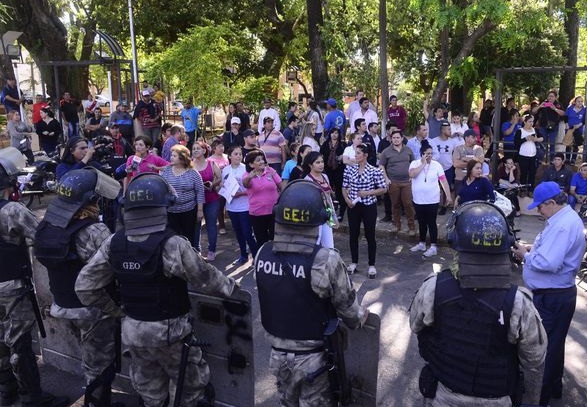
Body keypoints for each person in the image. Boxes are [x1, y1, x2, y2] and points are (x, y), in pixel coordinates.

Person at [75, 173, 238, 407]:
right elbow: (207, 279)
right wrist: (235, 290)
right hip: (171, 334)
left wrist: (117, 312)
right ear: (164, 207)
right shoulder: (173, 244)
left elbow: (85, 287)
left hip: (133, 332)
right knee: (189, 388)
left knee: (150, 394)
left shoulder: (114, 243)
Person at [412, 201, 547, 407]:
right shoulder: (518, 302)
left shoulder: (433, 288)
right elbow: (534, 359)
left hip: (443, 396)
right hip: (497, 399)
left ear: (453, 242)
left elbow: (415, 325)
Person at [254, 179, 369, 406]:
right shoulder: (326, 260)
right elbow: (349, 311)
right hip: (314, 360)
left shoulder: (262, 254)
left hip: (277, 357)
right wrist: (361, 317)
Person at [34, 167, 121, 406]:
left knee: (89, 357)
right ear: (91, 201)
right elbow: (113, 265)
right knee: (100, 364)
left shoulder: (49, 224)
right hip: (92, 309)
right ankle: (98, 404)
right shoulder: (94, 230)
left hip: (62, 304)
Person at [0, 147, 69, 407]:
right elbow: (41, 236)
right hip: (12, 288)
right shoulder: (12, 211)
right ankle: (33, 397)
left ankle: (7, 392)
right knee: (20, 344)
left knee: (0, 343)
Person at [512, 181, 585, 406]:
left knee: (545, 349)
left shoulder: (562, 225)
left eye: (540, 207)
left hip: (553, 295)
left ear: (552, 203)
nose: (538, 211)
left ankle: (539, 397)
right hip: (557, 293)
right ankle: (553, 388)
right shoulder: (562, 219)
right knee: (554, 344)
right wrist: (533, 248)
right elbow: (551, 250)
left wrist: (526, 255)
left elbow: (549, 262)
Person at [342, 144, 387, 278]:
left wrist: (368, 193)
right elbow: (344, 186)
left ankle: (371, 265)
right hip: (353, 206)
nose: (355, 156)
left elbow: (383, 188)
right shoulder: (350, 169)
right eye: (355, 153)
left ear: (365, 155)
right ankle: (354, 262)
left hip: (369, 206)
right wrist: (347, 200)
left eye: (358, 153)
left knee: (370, 234)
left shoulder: (374, 170)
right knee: (353, 234)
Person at [409, 141, 452, 257]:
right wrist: (423, 164)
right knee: (422, 222)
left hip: (432, 199)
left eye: (431, 154)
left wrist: (448, 195)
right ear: (422, 154)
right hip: (418, 199)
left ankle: (433, 246)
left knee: (431, 222)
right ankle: (422, 243)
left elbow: (443, 181)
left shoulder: (437, 165)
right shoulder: (414, 163)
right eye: (427, 154)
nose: (430, 156)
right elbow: (412, 174)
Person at [161, 144, 205, 243]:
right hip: (171, 212)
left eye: (174, 156)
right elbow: (162, 189)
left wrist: (200, 210)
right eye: (171, 155)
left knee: (188, 238)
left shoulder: (193, 173)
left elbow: (200, 191)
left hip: (189, 211)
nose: (171, 157)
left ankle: (190, 256)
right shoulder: (166, 171)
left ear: (182, 158)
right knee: (173, 239)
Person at [221, 146, 257, 264]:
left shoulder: (245, 169)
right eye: (235, 154)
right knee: (238, 232)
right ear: (229, 156)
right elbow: (224, 186)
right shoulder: (225, 170)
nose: (238, 156)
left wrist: (241, 193)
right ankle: (243, 255)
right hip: (232, 206)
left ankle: (256, 256)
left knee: (247, 232)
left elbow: (253, 189)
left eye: (240, 154)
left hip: (245, 206)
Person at [379, 129, 416, 235]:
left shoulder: (408, 150)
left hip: (406, 182)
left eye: (397, 137)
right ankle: (396, 225)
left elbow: (413, 164)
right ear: (391, 139)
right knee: (395, 204)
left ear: (402, 138)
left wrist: (412, 176)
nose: (395, 140)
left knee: (408, 204)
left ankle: (411, 226)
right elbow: (381, 165)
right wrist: (386, 178)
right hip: (393, 182)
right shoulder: (386, 151)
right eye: (393, 138)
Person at [243, 149, 282, 247]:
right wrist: (250, 177)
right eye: (258, 160)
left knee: (275, 239)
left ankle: (275, 260)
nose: (262, 162)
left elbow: (281, 186)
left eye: (262, 159)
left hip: (274, 212)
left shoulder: (271, 171)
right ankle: (262, 259)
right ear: (251, 164)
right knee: (262, 240)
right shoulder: (247, 175)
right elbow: (246, 184)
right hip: (257, 214)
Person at [192, 141, 222, 261]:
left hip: (211, 198)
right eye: (193, 149)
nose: (195, 151)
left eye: (198, 148)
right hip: (195, 200)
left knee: (211, 225)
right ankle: (196, 250)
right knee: (196, 225)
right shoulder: (190, 165)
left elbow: (219, 177)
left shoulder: (211, 163)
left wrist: (212, 184)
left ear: (204, 150)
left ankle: (212, 250)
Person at [302, 152, 335, 248]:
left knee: (329, 246)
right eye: (317, 162)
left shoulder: (325, 176)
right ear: (310, 165)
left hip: (327, 214)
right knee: (314, 245)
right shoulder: (307, 180)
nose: (321, 164)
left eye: (322, 162)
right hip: (315, 216)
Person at [429, 120, 457, 215]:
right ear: (443, 130)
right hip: (435, 168)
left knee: (447, 188)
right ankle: (434, 205)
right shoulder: (433, 141)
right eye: (449, 129)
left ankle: (444, 206)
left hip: (448, 168)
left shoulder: (452, 142)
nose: (450, 131)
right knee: (435, 188)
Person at [320, 128, 346, 221]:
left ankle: (341, 212)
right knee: (328, 190)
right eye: (332, 133)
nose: (334, 135)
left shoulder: (342, 145)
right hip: (328, 170)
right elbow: (321, 155)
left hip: (339, 170)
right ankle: (329, 211)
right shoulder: (325, 144)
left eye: (336, 133)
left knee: (340, 190)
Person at [515, 114, 542, 193]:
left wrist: (536, 139)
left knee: (532, 174)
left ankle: (530, 190)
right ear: (525, 122)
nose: (531, 123)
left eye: (532, 121)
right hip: (523, 155)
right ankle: (522, 190)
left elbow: (542, 138)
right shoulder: (520, 131)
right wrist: (525, 139)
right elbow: (516, 143)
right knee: (523, 173)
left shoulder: (535, 130)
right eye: (529, 121)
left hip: (533, 155)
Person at [533, 90, 565, 156]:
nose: (550, 98)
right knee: (542, 142)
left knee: (552, 143)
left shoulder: (558, 104)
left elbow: (563, 113)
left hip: (554, 127)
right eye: (549, 96)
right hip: (543, 126)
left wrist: (555, 109)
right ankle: (541, 158)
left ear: (555, 97)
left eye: (552, 96)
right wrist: (540, 106)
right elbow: (533, 111)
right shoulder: (544, 103)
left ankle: (552, 160)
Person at [452, 129, 484, 194]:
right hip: (460, 180)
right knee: (459, 201)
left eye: (476, 137)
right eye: (473, 137)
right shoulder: (458, 148)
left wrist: (464, 159)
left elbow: (480, 162)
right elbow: (456, 164)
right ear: (466, 138)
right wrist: (473, 161)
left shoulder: (479, 149)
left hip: (475, 180)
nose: (476, 139)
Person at [208, 139, 229, 234]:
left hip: (228, 184)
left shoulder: (226, 157)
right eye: (219, 146)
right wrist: (215, 184)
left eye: (222, 146)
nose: (222, 148)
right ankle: (221, 225)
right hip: (218, 186)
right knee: (220, 206)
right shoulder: (210, 160)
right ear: (214, 148)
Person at [565, 95, 585, 164]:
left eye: (581, 101)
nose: (580, 103)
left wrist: (579, 125)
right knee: (568, 143)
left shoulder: (584, 109)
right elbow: (566, 117)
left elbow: (584, 120)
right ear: (575, 102)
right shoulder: (570, 108)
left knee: (576, 145)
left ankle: (573, 159)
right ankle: (567, 159)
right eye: (578, 101)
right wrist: (566, 123)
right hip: (569, 128)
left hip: (578, 129)